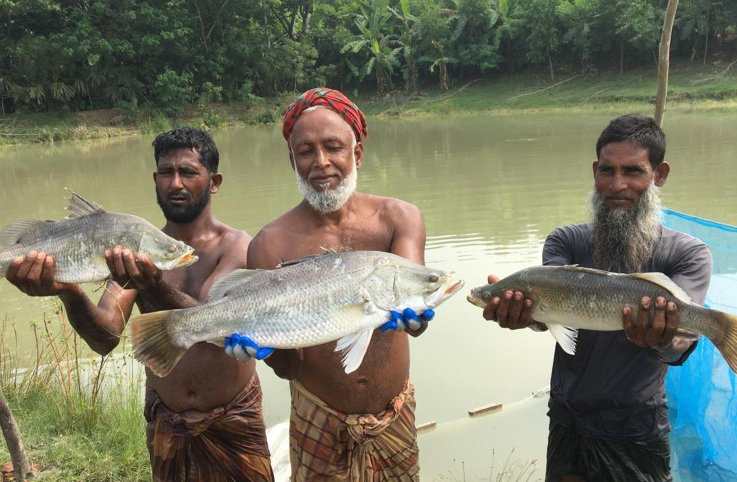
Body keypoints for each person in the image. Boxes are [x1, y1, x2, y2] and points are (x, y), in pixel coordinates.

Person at [5, 127, 274, 482]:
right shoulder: (132, 250)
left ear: (214, 181)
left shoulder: (238, 247)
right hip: (167, 420)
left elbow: (212, 325)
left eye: (189, 172)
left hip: (234, 418)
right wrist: (68, 290)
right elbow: (105, 337)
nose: (175, 183)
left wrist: (155, 285)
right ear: (155, 179)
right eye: (166, 172)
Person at [481, 114, 712, 482]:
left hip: (637, 425)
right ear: (594, 172)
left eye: (633, 172)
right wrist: (524, 315)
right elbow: (549, 314)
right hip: (568, 418)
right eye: (607, 170)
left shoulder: (687, 254)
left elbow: (681, 343)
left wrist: (665, 340)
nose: (616, 185)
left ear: (660, 174)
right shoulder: (566, 241)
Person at [238, 87, 428, 481]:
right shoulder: (270, 243)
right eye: (305, 151)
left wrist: (418, 317)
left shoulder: (399, 218)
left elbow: (414, 296)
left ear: (356, 153)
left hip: (394, 414)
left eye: (333, 147)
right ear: (292, 160)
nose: (321, 163)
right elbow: (289, 366)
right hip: (317, 417)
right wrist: (265, 350)